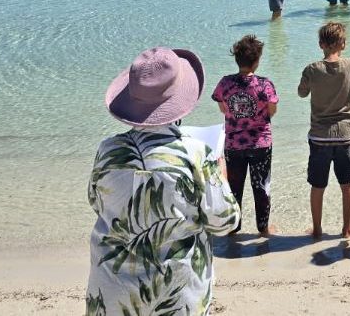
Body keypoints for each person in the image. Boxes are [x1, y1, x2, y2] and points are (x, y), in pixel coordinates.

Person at [87, 47, 240, 316]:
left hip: (112, 291)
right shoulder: (197, 153)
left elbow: (95, 201)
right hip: (175, 294)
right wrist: (220, 169)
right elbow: (224, 221)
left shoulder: (107, 150)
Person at [298, 22, 350, 239]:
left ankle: (317, 230)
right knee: (347, 184)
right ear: (343, 44)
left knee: (318, 185)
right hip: (345, 136)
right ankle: (346, 229)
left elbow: (301, 93)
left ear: (320, 45)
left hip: (319, 136)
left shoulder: (311, 69)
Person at [212, 35, 279, 237]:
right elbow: (272, 111)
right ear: (257, 61)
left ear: (236, 59)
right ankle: (263, 228)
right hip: (260, 143)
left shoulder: (225, 83)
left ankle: (233, 227)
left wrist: (237, 114)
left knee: (234, 187)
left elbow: (223, 109)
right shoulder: (265, 85)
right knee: (261, 186)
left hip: (233, 143)